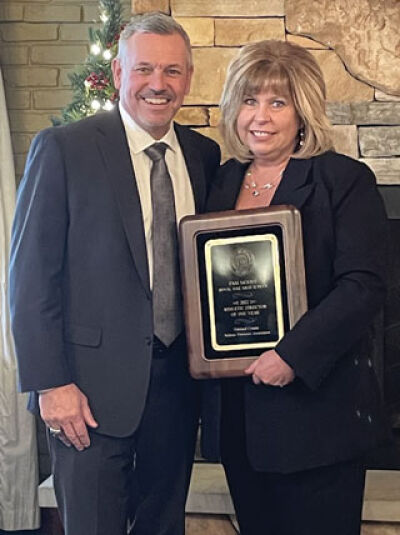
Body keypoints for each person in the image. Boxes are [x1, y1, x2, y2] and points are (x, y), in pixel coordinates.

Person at [9, 12, 220, 535]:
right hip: (86, 394)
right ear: (119, 72)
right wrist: (51, 384)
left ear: (188, 79)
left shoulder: (203, 154)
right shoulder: (65, 148)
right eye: (144, 68)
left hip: (176, 388)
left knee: (162, 524)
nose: (159, 84)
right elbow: (30, 278)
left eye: (173, 71)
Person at [202, 40, 391, 535]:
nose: (260, 116)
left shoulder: (343, 180)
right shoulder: (220, 182)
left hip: (317, 419)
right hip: (239, 418)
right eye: (249, 100)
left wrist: (292, 355)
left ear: (303, 111)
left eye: (277, 102)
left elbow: (363, 286)